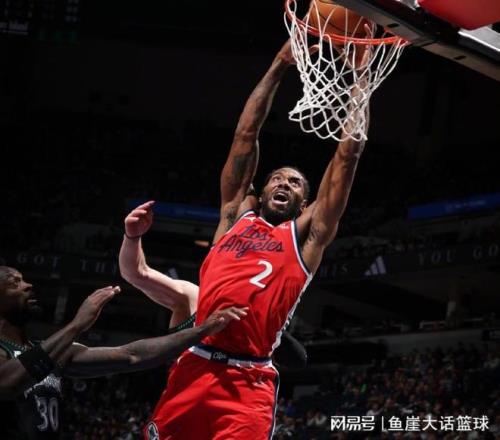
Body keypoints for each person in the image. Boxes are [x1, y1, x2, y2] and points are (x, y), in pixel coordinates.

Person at [146, 39, 369, 439]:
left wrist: (362, 77)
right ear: (260, 191)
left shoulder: (306, 237)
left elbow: (347, 157)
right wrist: (280, 62)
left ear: (305, 203)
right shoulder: (234, 217)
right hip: (194, 364)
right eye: (277, 178)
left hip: (248, 383)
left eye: (295, 183)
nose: (284, 183)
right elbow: (245, 135)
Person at [0, 265, 247, 439]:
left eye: (23, 279)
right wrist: (77, 325)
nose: (28, 285)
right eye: (14, 283)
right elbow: (8, 383)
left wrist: (203, 329)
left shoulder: (54, 353)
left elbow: (131, 355)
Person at [119, 197, 310, 368]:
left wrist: (275, 335)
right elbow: (136, 273)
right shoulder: (193, 296)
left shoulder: (264, 320)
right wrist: (132, 237)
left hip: (240, 389)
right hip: (186, 388)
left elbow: (299, 360)